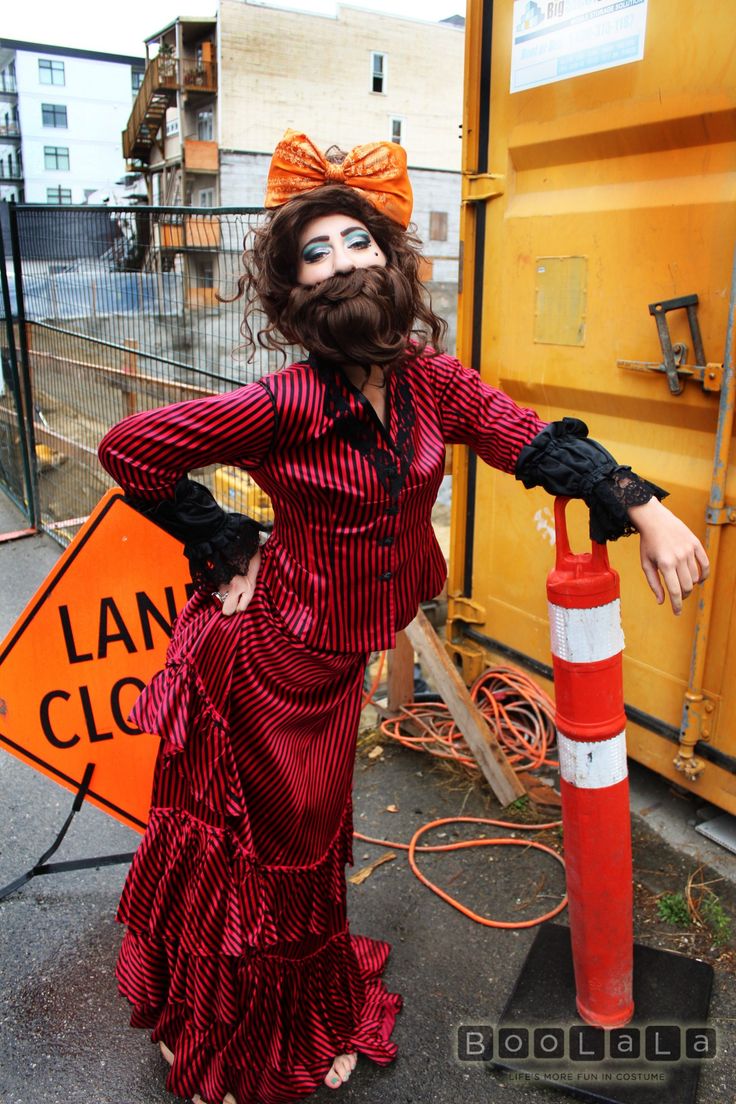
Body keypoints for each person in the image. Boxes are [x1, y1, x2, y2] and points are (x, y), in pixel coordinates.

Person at [97, 130, 708, 1104]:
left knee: (304, 851)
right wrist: (221, 539)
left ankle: (288, 1008)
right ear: (292, 291)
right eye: (315, 251)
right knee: (279, 858)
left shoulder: (430, 380)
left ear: (390, 258)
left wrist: (642, 505)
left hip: (340, 665)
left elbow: (529, 440)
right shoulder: (282, 402)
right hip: (270, 668)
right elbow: (132, 448)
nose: (342, 261)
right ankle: (241, 1033)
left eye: (357, 242)